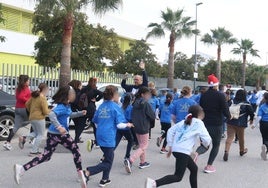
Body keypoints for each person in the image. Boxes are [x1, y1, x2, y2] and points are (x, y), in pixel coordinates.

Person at [14, 86, 92, 188]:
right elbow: (51, 115)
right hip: (60, 134)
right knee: (76, 151)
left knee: (46, 156)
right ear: (67, 95)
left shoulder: (66, 105)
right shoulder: (61, 106)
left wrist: (80, 113)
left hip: (53, 134)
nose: (74, 95)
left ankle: (21, 169)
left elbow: (68, 115)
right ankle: (81, 175)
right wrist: (59, 126)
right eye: (72, 94)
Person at [145, 105, 211, 188]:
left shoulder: (184, 121)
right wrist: (206, 144)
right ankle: (154, 183)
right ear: (200, 114)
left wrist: (171, 145)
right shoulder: (199, 123)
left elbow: (170, 131)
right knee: (178, 177)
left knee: (194, 169)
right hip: (183, 151)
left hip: (177, 150)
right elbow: (207, 138)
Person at [82, 85, 133, 187]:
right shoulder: (115, 107)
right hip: (108, 137)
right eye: (118, 94)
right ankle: (87, 172)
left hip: (99, 135)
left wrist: (103, 126)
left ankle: (105, 179)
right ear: (114, 95)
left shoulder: (101, 106)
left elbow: (95, 122)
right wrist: (128, 125)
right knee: (108, 162)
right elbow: (119, 124)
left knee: (108, 157)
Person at [199, 74, 231, 173]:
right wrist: (229, 116)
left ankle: (195, 154)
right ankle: (209, 166)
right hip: (217, 124)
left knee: (205, 144)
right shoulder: (220, 95)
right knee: (216, 145)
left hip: (205, 123)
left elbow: (201, 108)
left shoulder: (203, 95)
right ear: (216, 85)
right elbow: (225, 110)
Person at [124, 87, 155, 174]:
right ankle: (130, 160)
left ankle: (142, 162)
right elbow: (152, 116)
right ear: (142, 94)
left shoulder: (134, 102)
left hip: (136, 126)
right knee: (144, 146)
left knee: (141, 145)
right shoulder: (146, 104)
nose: (149, 96)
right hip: (144, 126)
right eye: (148, 94)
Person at [18, 83, 50, 156]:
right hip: (39, 118)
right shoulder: (43, 98)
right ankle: (34, 151)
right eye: (47, 89)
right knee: (40, 135)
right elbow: (45, 111)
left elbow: (26, 104)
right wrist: (51, 111)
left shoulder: (34, 96)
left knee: (36, 133)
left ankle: (24, 138)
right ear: (44, 90)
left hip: (32, 117)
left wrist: (32, 111)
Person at [223, 89, 254, 161]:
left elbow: (226, 109)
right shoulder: (246, 104)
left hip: (230, 122)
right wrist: (251, 119)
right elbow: (251, 113)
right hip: (241, 123)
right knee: (241, 138)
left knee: (230, 137)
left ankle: (226, 151)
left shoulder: (232, 102)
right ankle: (241, 151)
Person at [3, 75, 31, 150]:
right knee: (35, 121)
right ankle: (29, 139)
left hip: (18, 108)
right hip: (24, 109)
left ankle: (7, 142)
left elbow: (17, 97)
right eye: (28, 80)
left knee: (16, 126)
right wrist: (28, 100)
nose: (29, 82)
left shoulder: (18, 88)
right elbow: (21, 97)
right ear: (25, 82)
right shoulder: (25, 88)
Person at [81, 77, 103, 147]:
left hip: (84, 108)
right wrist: (96, 99)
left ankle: (76, 139)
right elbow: (102, 94)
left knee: (81, 125)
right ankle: (97, 142)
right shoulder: (94, 90)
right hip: (91, 108)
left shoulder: (84, 89)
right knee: (94, 126)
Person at [115, 93, 134, 160]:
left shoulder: (121, 107)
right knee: (131, 140)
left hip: (119, 126)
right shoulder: (131, 108)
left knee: (116, 142)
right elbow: (129, 118)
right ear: (131, 100)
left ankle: (104, 156)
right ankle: (127, 156)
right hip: (126, 127)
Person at [253, 92, 268, 161]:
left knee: (264, 137)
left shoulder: (262, 106)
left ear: (265, 98)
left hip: (264, 123)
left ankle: (264, 145)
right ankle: (266, 148)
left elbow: (259, 117)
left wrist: (254, 125)